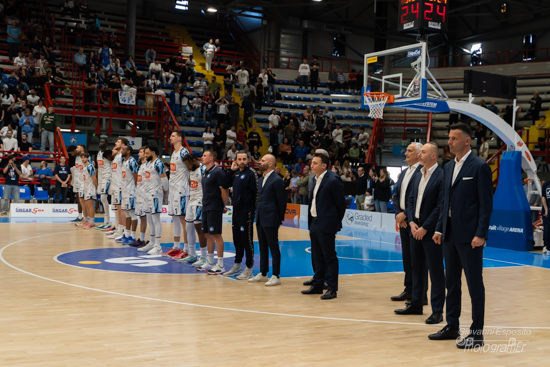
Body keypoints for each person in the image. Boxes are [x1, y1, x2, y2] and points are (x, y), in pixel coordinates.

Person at [430, 123, 493, 349]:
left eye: (454, 138)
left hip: (470, 237)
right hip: (449, 234)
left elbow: (486, 205)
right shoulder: (447, 167)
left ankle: (477, 334)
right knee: (451, 283)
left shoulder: (479, 167)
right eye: (449, 138)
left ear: (467, 140)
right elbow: (444, 203)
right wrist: (439, 228)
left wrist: (481, 234)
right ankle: (452, 325)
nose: (450, 142)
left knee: (475, 284)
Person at [394, 142, 445, 326]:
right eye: (420, 151)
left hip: (430, 232)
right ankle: (416, 303)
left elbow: (441, 206)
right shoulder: (418, 175)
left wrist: (425, 227)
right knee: (416, 268)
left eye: (423, 152)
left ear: (432, 155)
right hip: (415, 229)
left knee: (436, 272)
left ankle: (437, 311)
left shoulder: (441, 175)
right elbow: (410, 200)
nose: (420, 154)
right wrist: (413, 223)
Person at [301, 153, 346, 300]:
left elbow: (340, 204)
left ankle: (332, 288)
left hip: (326, 223)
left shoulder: (333, 180)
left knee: (329, 257)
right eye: (311, 163)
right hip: (314, 221)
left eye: (314, 163)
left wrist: (332, 222)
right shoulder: (315, 179)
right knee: (316, 255)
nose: (311, 165)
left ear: (324, 165)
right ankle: (318, 284)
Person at [391, 142, 424, 302]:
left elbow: (419, 198)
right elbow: (396, 195)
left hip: (415, 222)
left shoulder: (422, 171)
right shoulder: (404, 172)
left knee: (418, 260)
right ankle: (409, 289)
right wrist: (398, 214)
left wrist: (406, 215)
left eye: (409, 151)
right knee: (407, 258)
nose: (406, 153)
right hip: (404, 221)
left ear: (419, 154)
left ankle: (421, 294)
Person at [249, 154, 287, 286]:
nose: (260, 162)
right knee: (262, 246)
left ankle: (276, 275)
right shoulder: (261, 179)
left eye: (263, 160)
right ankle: (263, 273)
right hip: (260, 217)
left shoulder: (277, 180)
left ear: (270, 164)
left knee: (273, 247)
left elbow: (282, 202)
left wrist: (279, 220)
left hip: (271, 218)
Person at [222, 151, 259, 279]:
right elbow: (225, 184)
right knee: (237, 239)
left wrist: (252, 210)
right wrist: (231, 171)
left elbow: (256, 193)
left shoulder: (251, 173)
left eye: (244, 159)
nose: (242, 161)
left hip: (247, 211)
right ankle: (237, 265)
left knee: (246, 240)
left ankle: (249, 268)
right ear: (236, 160)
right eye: (239, 159)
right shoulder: (236, 173)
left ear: (248, 160)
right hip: (236, 211)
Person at [197, 150, 229, 273]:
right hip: (205, 206)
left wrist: (222, 205)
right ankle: (210, 261)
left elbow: (224, 191)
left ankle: (220, 264)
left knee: (216, 235)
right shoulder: (206, 172)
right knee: (207, 234)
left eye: (204, 155)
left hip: (214, 207)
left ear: (211, 158)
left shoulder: (218, 172)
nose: (202, 157)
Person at [164, 131, 190, 258]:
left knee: (183, 219)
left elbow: (191, 169)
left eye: (173, 135)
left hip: (182, 190)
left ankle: (186, 249)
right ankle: (176, 247)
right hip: (173, 190)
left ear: (180, 138)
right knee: (175, 218)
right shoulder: (174, 153)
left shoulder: (184, 152)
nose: (170, 137)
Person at [138, 146, 168, 253]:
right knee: (149, 220)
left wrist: (165, 192)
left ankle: (158, 246)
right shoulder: (147, 164)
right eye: (144, 153)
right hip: (146, 194)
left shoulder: (158, 163)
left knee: (156, 219)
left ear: (153, 152)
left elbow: (164, 179)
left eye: (147, 153)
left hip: (155, 194)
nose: (145, 155)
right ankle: (151, 243)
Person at [179, 154, 207, 266]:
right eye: (186, 165)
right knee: (188, 228)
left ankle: (204, 257)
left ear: (195, 160)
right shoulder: (190, 171)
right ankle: (192, 254)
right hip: (191, 201)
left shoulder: (203, 170)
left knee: (199, 230)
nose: (187, 167)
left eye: (189, 164)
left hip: (200, 202)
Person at [116, 145, 139, 246]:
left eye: (123, 149)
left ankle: (133, 236)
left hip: (131, 191)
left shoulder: (132, 161)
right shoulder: (124, 161)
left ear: (128, 151)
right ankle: (126, 234)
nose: (121, 151)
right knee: (127, 213)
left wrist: (136, 189)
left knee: (133, 213)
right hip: (124, 190)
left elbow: (136, 176)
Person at [106, 138, 128, 240]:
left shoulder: (123, 157)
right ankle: (118, 229)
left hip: (120, 185)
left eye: (118, 142)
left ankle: (123, 231)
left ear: (123, 145)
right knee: (116, 210)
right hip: (114, 185)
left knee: (121, 209)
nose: (115, 143)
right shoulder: (116, 156)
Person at [96, 138, 113, 231]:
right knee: (102, 200)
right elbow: (99, 167)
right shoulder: (98, 153)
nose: (100, 143)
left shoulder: (109, 153)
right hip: (101, 178)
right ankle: (105, 221)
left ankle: (108, 222)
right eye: (100, 141)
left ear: (106, 143)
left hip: (107, 178)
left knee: (103, 198)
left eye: (102, 141)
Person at [80, 153, 98, 229]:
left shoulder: (90, 167)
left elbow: (94, 178)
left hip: (91, 188)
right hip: (86, 188)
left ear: (87, 158)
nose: (83, 159)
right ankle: (88, 221)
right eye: (82, 158)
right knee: (87, 205)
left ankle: (92, 222)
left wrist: (97, 187)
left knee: (90, 206)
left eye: (84, 157)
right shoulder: (85, 167)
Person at [542, 180, 550, 254]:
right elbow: (543, 196)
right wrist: (546, 209)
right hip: (548, 210)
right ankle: (547, 247)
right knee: (547, 229)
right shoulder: (546, 184)